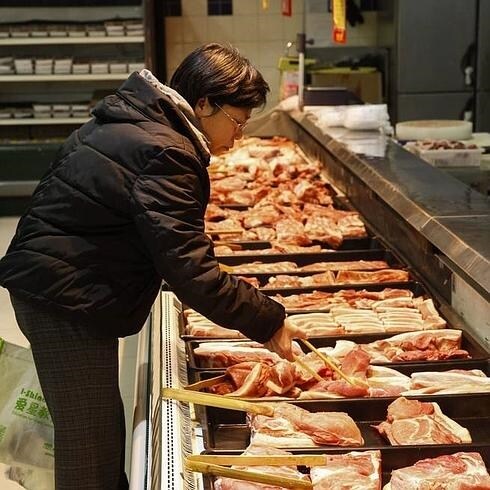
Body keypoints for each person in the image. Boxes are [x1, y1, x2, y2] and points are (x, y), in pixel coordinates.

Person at [0, 43, 304, 489]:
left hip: (63, 284)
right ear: (204, 104)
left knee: (98, 428)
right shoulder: (167, 151)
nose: (238, 137)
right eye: (237, 122)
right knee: (89, 443)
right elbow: (192, 272)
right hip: (62, 296)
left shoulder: (139, 121)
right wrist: (268, 319)